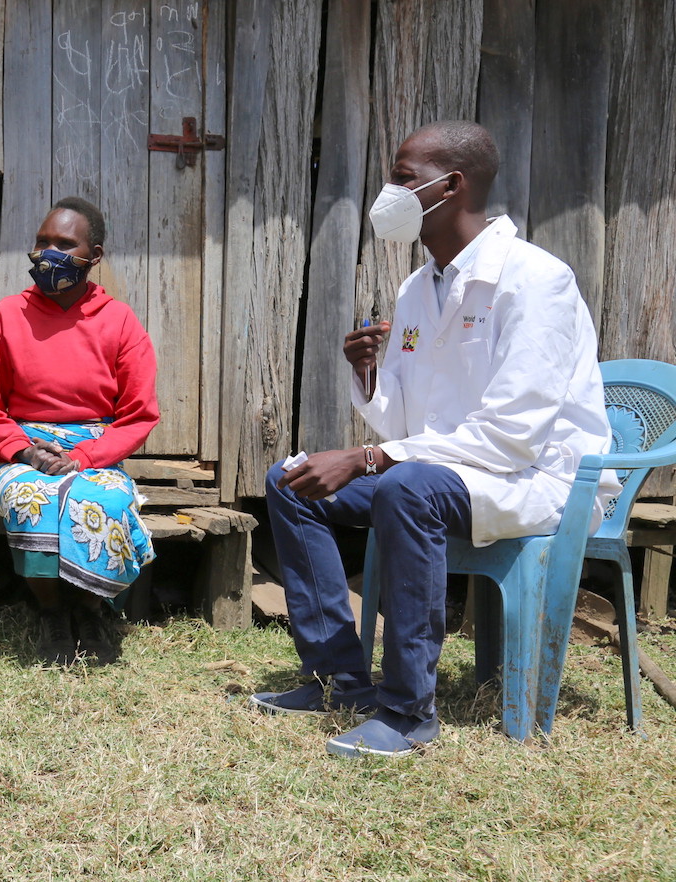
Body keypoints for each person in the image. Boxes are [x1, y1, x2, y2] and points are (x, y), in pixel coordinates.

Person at [256, 121, 619, 757]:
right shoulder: (419, 286)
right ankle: (340, 677)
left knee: (405, 485)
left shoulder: (537, 281)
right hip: (445, 476)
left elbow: (511, 437)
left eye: (401, 178)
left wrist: (367, 459)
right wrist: (368, 376)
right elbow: (407, 431)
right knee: (290, 483)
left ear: (449, 186)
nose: (387, 193)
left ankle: (407, 713)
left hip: (540, 481)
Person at [0, 197, 160, 666]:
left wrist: (84, 459)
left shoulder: (119, 322)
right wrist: (26, 454)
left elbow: (138, 415)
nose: (48, 253)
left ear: (94, 257)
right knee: (34, 497)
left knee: (106, 499)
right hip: (24, 449)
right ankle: (51, 612)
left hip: (94, 450)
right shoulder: (10, 315)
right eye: (42, 241)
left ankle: (89, 610)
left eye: (64, 245)